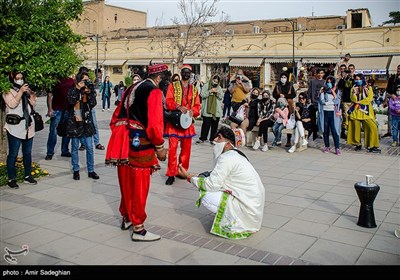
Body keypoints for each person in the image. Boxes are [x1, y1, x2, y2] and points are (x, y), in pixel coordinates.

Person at [106, 63, 168, 242]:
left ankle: (127, 218)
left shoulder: (133, 86)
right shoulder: (154, 91)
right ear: (159, 78)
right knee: (140, 184)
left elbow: (116, 115)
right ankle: (139, 228)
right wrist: (160, 147)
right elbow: (155, 126)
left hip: (123, 139)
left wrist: (121, 133)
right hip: (140, 141)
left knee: (126, 181)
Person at [177, 126, 265, 240]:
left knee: (206, 195)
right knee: (208, 184)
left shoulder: (227, 158)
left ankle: (233, 220)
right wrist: (194, 176)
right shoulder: (236, 154)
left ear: (228, 144)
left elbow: (211, 184)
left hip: (247, 209)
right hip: (254, 210)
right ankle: (230, 215)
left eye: (219, 138)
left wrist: (188, 177)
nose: (215, 141)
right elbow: (214, 176)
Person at [164, 64, 201, 186]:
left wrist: (193, 111)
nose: (186, 74)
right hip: (175, 122)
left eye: (188, 72)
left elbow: (197, 106)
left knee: (186, 150)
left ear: (191, 74)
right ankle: (171, 173)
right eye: (184, 72)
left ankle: (182, 171)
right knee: (172, 149)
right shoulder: (172, 86)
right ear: (181, 73)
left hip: (187, 123)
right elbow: (168, 101)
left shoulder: (194, 89)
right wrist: (178, 107)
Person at [3, 71, 38, 189]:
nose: (20, 80)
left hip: (28, 126)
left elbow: (33, 104)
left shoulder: (25, 90)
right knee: (13, 153)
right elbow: (12, 104)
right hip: (15, 127)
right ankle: (11, 178)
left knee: (27, 153)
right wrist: (20, 92)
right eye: (17, 78)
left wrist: (31, 94)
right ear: (12, 79)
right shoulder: (7, 90)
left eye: (21, 78)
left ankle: (28, 175)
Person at [66, 72, 100, 180]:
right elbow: (71, 101)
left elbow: (93, 103)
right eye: (83, 80)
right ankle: (76, 170)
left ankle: (91, 170)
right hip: (75, 122)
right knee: (75, 147)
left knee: (90, 147)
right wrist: (78, 89)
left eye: (87, 80)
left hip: (87, 122)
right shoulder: (72, 89)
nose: (85, 82)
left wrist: (89, 92)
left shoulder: (88, 89)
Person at [347, 74, 381, 153]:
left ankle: (372, 145)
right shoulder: (353, 88)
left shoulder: (368, 88)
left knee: (372, 127)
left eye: (359, 79)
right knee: (355, 128)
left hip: (365, 111)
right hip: (356, 110)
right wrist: (354, 94)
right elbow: (352, 98)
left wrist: (360, 102)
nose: (357, 81)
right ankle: (357, 144)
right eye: (356, 79)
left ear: (362, 79)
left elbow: (369, 98)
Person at [45, 76, 74, 160]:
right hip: (57, 109)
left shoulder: (71, 81)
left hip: (68, 110)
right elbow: (49, 95)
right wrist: (50, 109)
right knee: (53, 132)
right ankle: (50, 152)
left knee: (66, 131)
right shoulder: (54, 80)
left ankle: (65, 150)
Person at [317, 76, 342, 155]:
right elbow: (322, 101)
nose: (329, 83)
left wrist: (333, 91)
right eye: (328, 82)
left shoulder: (337, 91)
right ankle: (327, 146)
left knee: (335, 131)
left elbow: (337, 100)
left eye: (331, 82)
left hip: (333, 113)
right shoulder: (323, 91)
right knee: (325, 130)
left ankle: (337, 148)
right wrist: (322, 92)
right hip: (325, 112)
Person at [197, 75, 223, 144]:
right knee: (206, 124)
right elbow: (202, 95)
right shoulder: (206, 86)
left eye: (217, 82)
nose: (215, 83)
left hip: (216, 110)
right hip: (207, 109)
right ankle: (203, 138)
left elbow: (221, 97)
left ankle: (213, 139)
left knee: (215, 125)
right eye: (214, 81)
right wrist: (210, 91)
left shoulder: (219, 87)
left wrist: (217, 93)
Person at [272, 72, 296, 147]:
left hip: (288, 106)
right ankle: (278, 138)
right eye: (282, 77)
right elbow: (273, 94)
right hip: (279, 106)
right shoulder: (277, 85)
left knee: (288, 122)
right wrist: (279, 95)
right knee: (278, 121)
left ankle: (288, 140)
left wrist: (285, 95)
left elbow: (294, 94)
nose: (283, 79)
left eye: (285, 77)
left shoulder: (290, 85)